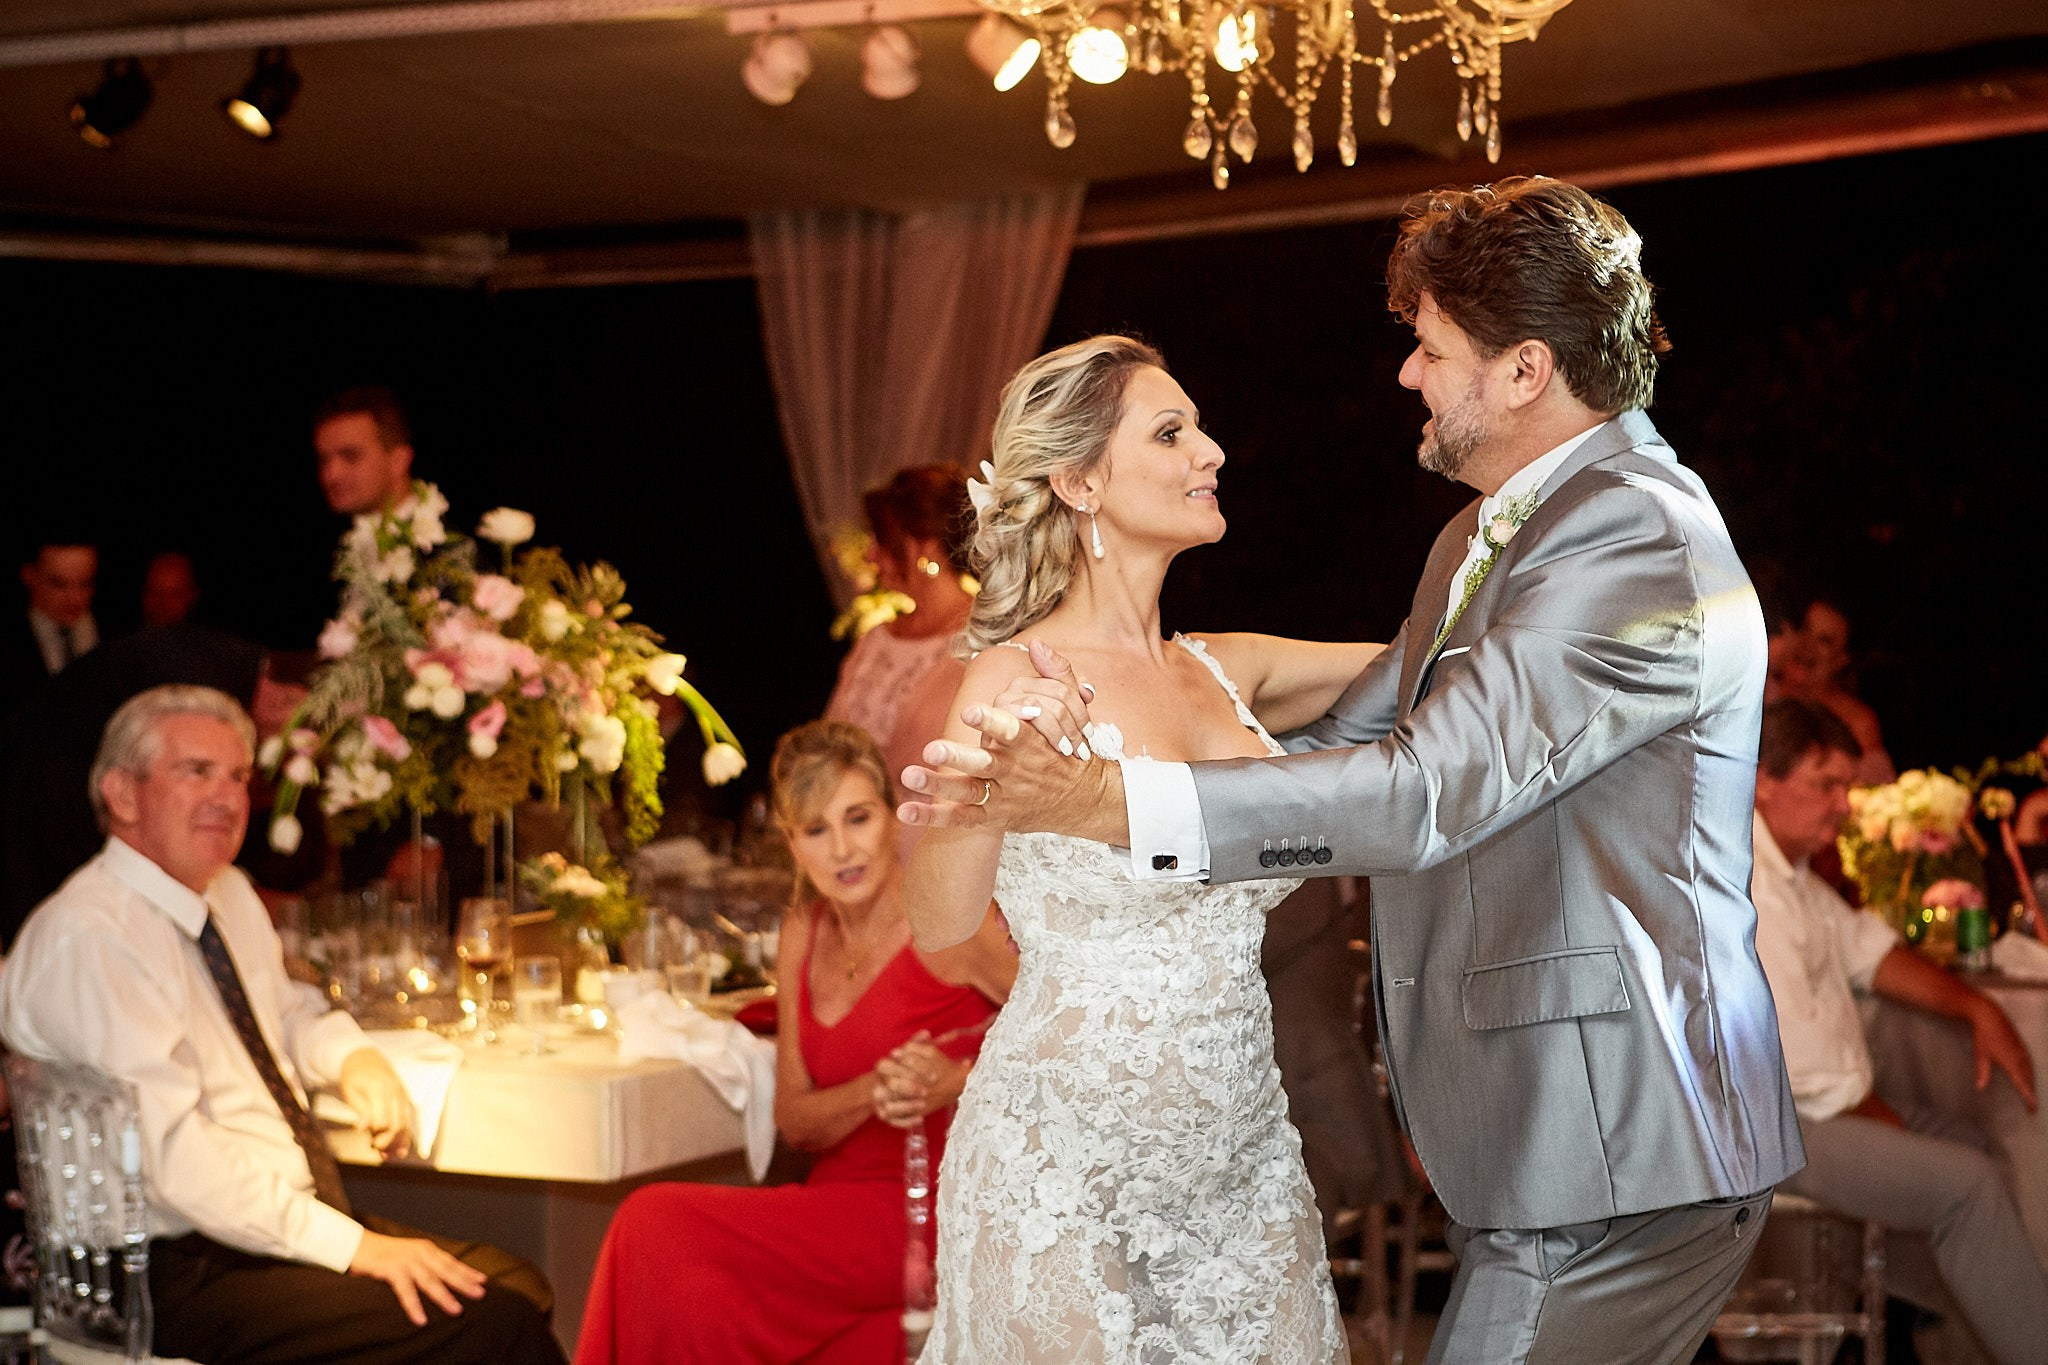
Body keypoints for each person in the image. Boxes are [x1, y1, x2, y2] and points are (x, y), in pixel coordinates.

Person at [904, 179, 1805, 1364]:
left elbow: (1419, 785)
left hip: (1606, 1134)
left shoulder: (1624, 532)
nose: (1405, 375)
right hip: (1086, 1151)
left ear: (1525, 369)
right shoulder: (1478, 538)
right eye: (1167, 431)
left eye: (1428, 349)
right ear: (1073, 481)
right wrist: (995, 805)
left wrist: (1102, 802)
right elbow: (1364, 756)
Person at [902, 335, 1381, 1362]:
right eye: (1170, 433)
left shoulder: (1227, 670)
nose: (1209, 452)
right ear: (1076, 481)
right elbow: (940, 927)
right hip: (1061, 1166)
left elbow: (1445, 676)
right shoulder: (1008, 680)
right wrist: (973, 799)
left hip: (1244, 1161)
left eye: (1197, 428)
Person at [0, 685, 564, 1365]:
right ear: (123, 794)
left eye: (239, 775)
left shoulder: (225, 892)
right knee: (492, 1324)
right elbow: (173, 1159)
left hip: (256, 1224)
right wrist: (352, 1246)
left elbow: (284, 1010)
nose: (229, 796)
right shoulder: (91, 937)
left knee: (517, 1288)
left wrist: (349, 1056)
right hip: (165, 1268)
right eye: (197, 771)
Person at [574, 719, 1014, 1364]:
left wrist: (955, 1078)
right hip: (837, 1202)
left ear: (894, 815)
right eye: (816, 830)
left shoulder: (951, 918)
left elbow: (1072, 1032)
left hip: (938, 1207)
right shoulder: (802, 931)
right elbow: (796, 1121)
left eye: (858, 817)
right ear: (790, 842)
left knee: (654, 1222)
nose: (843, 848)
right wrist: (874, 1090)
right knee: (690, 1289)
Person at [1749, 697, 2048, 1363]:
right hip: (1775, 1127)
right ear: (1763, 778)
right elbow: (1815, 1077)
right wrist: (1894, 1126)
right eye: (1826, 784)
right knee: (1965, 1183)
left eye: (1847, 787)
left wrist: (1978, 1008)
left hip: (1814, 1109)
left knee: (1976, 1147)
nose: (1843, 804)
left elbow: (1871, 950)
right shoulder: (1750, 881)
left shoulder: (1791, 873)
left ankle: (1948, 1333)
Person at [825, 465, 975, 790]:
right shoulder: (876, 638)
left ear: (926, 548)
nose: (872, 554)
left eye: (883, 539)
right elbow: (828, 742)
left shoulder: (983, 638)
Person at [4, 537, 99, 718]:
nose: (74, 599)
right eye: (58, 584)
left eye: (85, 584)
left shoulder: (117, 633)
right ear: (29, 575)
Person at [313, 385, 416, 516]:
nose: (332, 475)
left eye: (351, 456)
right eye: (323, 460)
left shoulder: (440, 535)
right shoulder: (348, 534)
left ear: (399, 460)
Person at [141, 549, 204, 629]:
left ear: (193, 595)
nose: (162, 603)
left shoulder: (216, 641)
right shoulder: (127, 641)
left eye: (175, 595)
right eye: (153, 592)